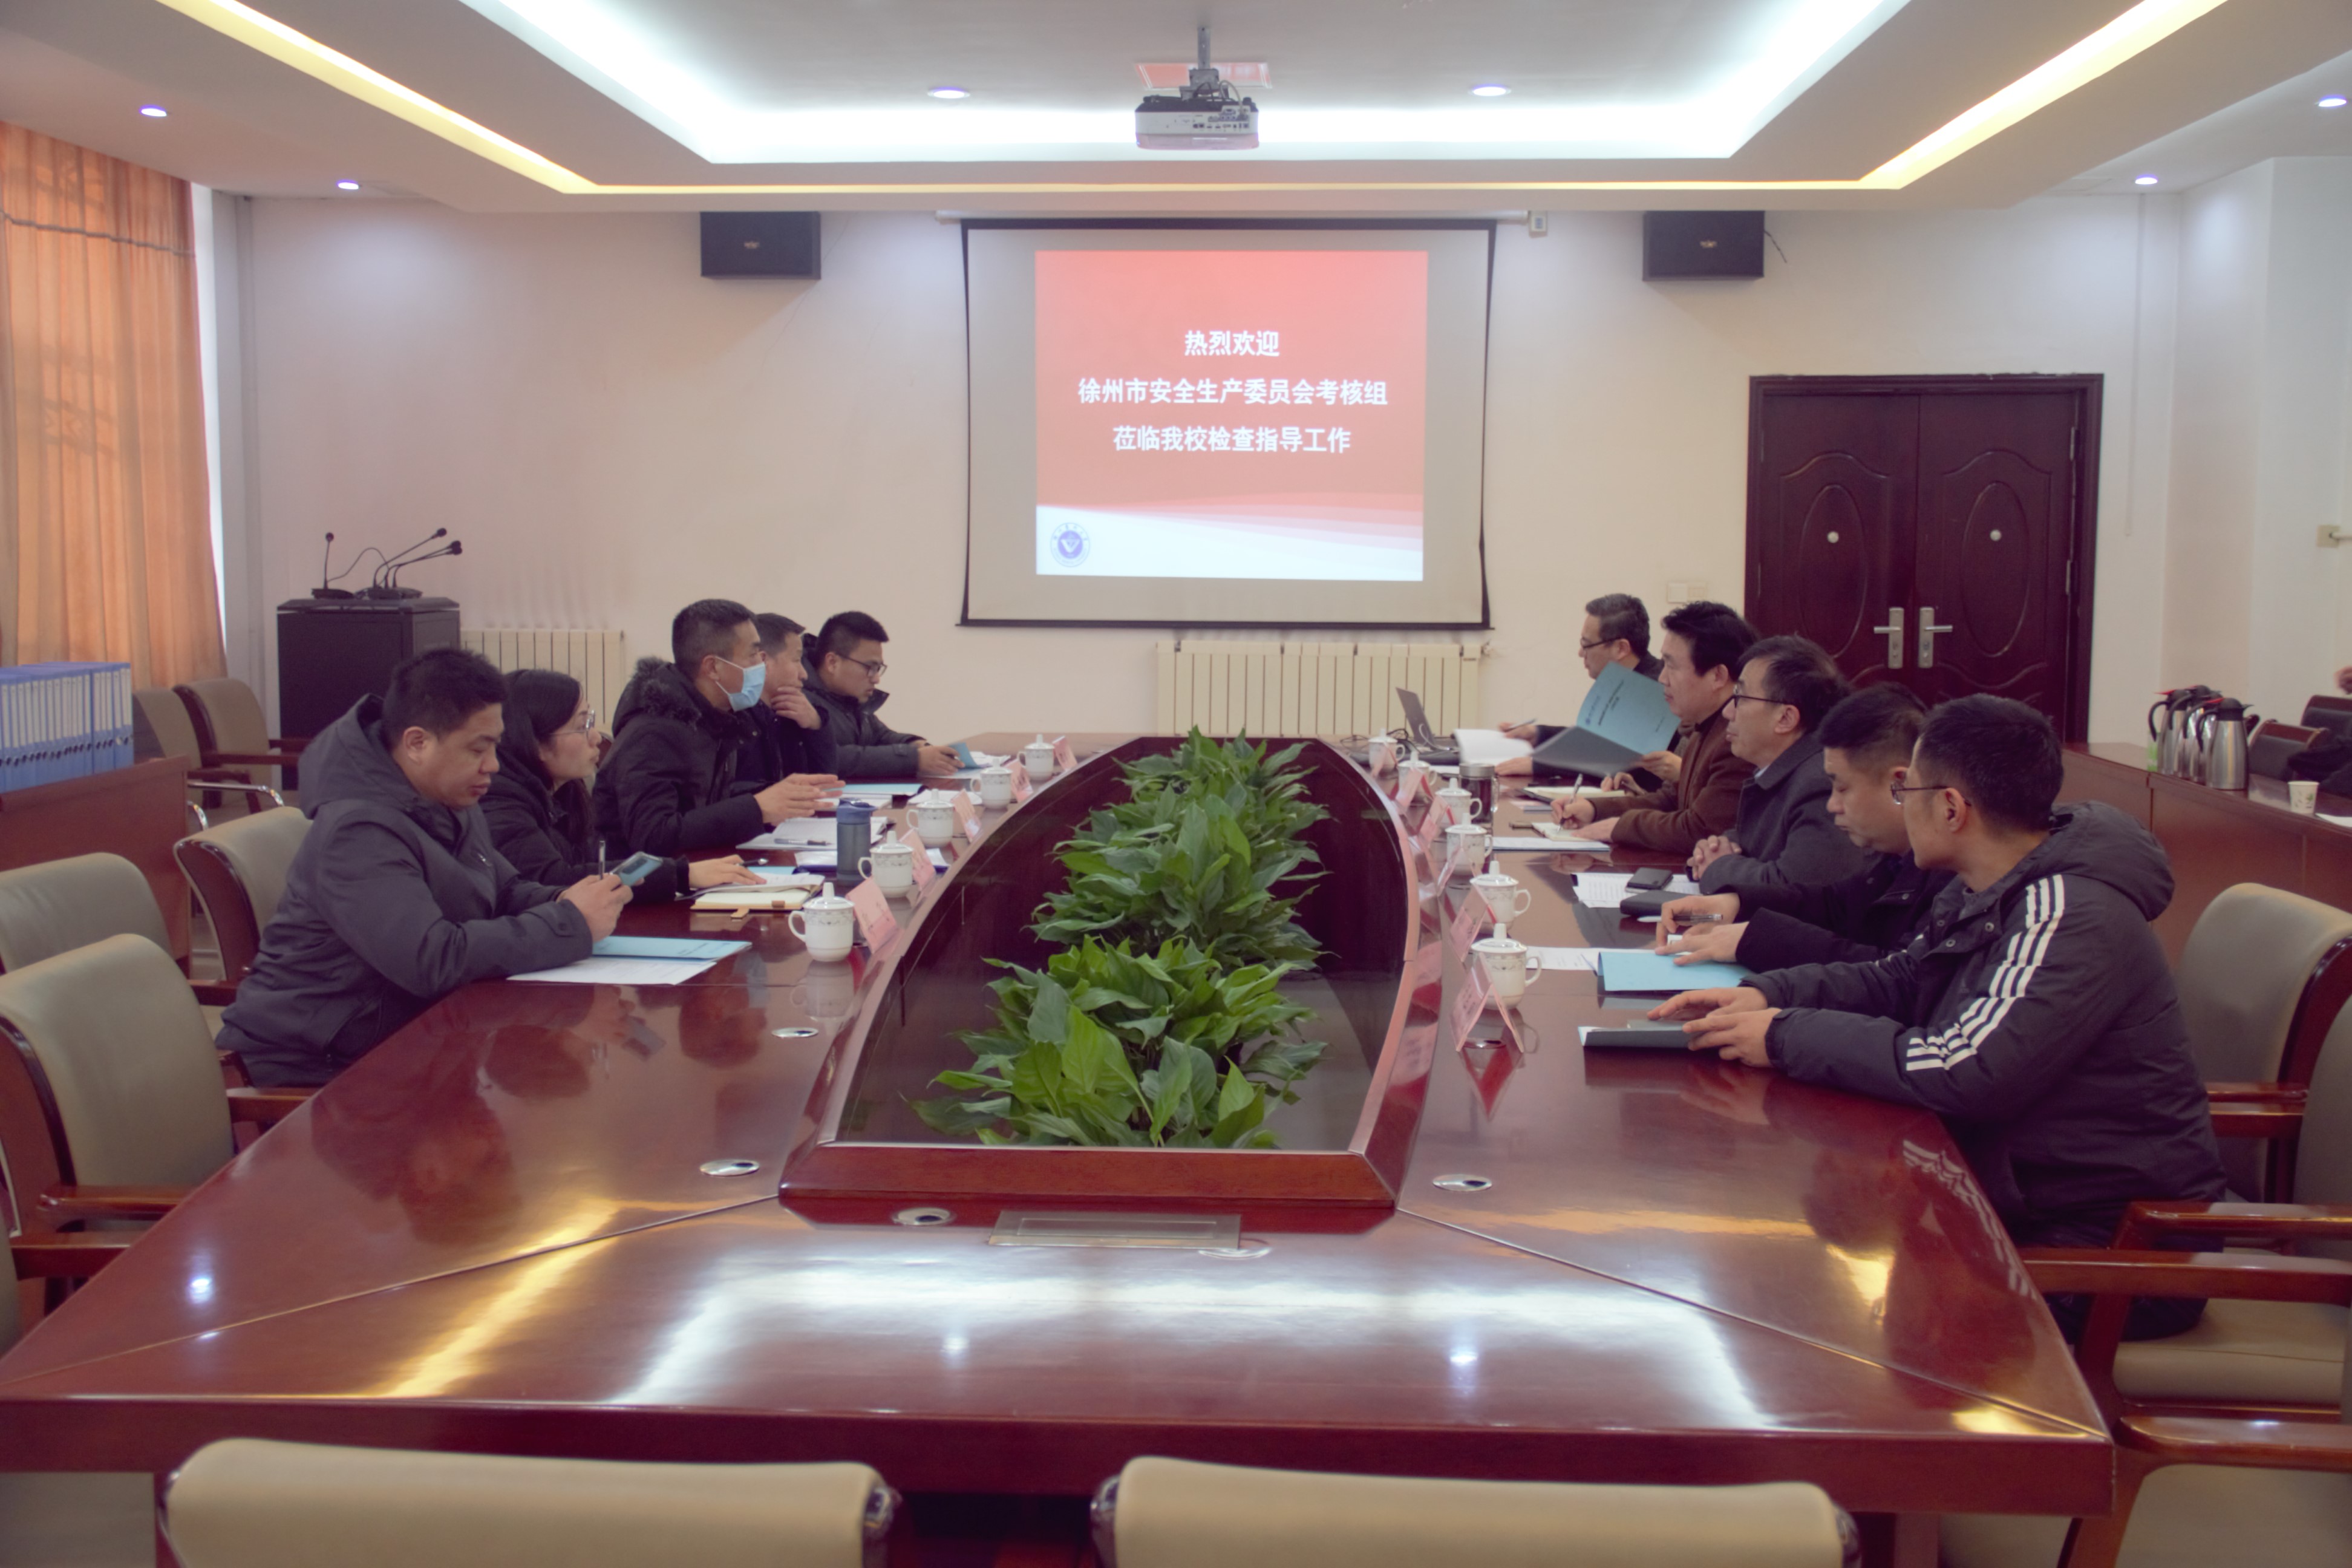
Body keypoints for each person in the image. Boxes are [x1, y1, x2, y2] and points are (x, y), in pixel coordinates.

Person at [1651, 695, 2227, 1339]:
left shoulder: (2070, 914)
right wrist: (1767, 995)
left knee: (1832, 1310)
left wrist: (1787, 1034)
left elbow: (1967, 1069)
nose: (1902, 804)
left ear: (1951, 808)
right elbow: (1901, 979)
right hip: (2015, 1202)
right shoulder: (1990, 882)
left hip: (2114, 1252)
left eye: (1909, 791)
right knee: (1815, 1268)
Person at [215, 648, 630, 1088]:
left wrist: (567, 900)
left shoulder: (448, 792)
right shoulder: (358, 830)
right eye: (478, 748)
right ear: (417, 744)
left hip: (413, 1034)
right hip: (323, 1065)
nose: (493, 764)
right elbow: (430, 959)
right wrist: (569, 923)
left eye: (495, 744)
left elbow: (504, 890)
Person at [1655, 684, 1951, 972]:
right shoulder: (1893, 861)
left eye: (1843, 789)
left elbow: (1895, 973)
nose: (1832, 805)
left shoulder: (1949, 877)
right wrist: (1736, 903)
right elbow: (1833, 905)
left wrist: (1756, 940)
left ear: (1900, 785)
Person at [483, 668, 762, 901]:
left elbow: (587, 863)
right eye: (582, 726)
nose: (596, 737)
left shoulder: (562, 792)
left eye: (591, 720)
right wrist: (680, 875)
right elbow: (554, 880)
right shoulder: (500, 804)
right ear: (536, 743)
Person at [595, 599, 841, 856]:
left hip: (700, 865)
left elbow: (704, 802)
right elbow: (653, 837)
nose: (761, 665)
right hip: (641, 878)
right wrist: (757, 807)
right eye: (753, 655)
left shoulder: (717, 716)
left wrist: (777, 794)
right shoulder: (653, 734)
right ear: (713, 667)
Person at [1550, 601, 1757, 853]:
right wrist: (1595, 809)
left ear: (1718, 676)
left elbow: (1700, 830)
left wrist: (1620, 826)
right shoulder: (1706, 727)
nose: (1662, 678)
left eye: (1672, 666)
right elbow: (1670, 799)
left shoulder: (1737, 739)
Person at [1687, 635, 1872, 891]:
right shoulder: (1782, 768)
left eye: (1740, 697)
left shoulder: (1819, 784)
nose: (1728, 712)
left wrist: (1718, 867)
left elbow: (1795, 888)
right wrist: (1715, 848)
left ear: (1785, 718)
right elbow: (1759, 841)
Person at [1498, 593, 1662, 780]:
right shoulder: (1625, 681)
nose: (1580, 653)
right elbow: (1597, 742)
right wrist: (1538, 734)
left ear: (1621, 649)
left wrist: (1543, 765)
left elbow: (1622, 760)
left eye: (1587, 645)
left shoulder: (1653, 691)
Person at [805, 610, 960, 781]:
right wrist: (913, 759)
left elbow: (880, 736)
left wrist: (916, 745)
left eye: (878, 669)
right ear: (832, 663)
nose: (876, 679)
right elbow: (835, 757)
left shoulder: (847, 699)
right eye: (870, 667)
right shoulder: (800, 701)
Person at [731, 612, 838, 793]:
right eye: (796, 660)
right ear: (763, 662)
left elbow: (825, 781)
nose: (804, 674)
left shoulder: (794, 712)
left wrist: (816, 727)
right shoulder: (734, 716)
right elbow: (725, 793)